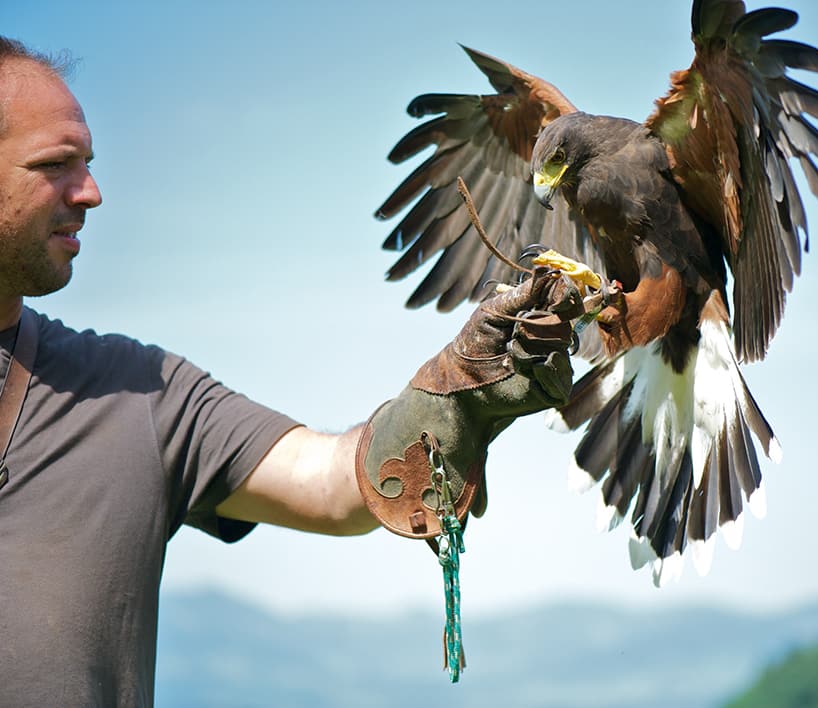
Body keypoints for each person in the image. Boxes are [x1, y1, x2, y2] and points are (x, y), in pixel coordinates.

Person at [0, 38, 581, 706]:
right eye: (55, 165)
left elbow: (333, 483)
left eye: (89, 164)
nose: (93, 193)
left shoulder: (138, 391)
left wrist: (460, 393)